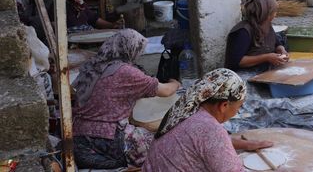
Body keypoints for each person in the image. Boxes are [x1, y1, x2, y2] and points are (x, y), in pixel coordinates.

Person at [72, 29, 181, 169]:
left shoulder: (94, 66)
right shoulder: (125, 72)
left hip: (78, 132)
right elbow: (165, 91)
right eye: (138, 51)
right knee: (161, 145)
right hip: (105, 137)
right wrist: (175, 83)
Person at [143, 68, 272, 172]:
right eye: (238, 107)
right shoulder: (211, 130)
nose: (237, 112)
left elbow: (203, 142)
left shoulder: (188, 109)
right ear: (224, 106)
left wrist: (247, 144)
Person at [225, 0, 289, 71]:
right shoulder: (243, 31)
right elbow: (237, 61)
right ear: (266, 13)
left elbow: (277, 44)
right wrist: (267, 57)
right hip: (244, 73)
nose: (275, 14)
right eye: (274, 12)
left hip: (263, 69)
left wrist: (281, 50)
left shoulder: (266, 25)